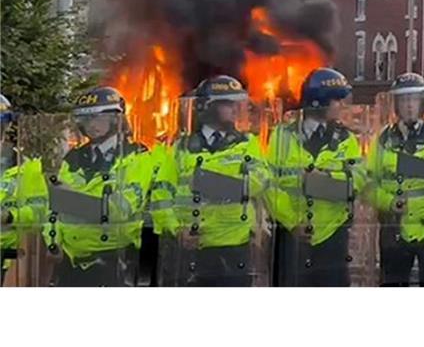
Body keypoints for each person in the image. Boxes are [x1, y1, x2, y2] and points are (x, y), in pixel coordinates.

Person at [152, 75, 270, 286]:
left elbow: (259, 181)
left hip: (236, 242)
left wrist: (209, 182)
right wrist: (176, 229)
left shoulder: (247, 143)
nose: (235, 109)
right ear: (207, 107)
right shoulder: (181, 147)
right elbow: (161, 192)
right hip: (192, 243)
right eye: (227, 103)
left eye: (236, 103)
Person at [43, 86, 155, 286]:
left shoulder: (138, 156)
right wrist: (52, 242)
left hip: (116, 261)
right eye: (86, 119)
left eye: (98, 118)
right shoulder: (73, 158)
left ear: (116, 119)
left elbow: (120, 210)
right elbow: (53, 209)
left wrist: (71, 200)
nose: (92, 124)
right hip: (70, 261)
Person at [268, 67, 364, 286]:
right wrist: (292, 222)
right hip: (292, 238)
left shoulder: (346, 139)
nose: (341, 106)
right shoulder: (282, 137)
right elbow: (270, 186)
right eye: (336, 100)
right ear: (317, 102)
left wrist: (323, 179)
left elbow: (358, 181)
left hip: (333, 236)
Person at [367, 72, 424, 286]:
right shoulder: (383, 139)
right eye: (404, 100)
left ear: (423, 103)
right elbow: (368, 184)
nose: (409, 106)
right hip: (395, 227)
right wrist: (390, 202)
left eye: (414, 100)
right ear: (396, 105)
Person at [1, 93, 47, 285]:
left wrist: (10, 216)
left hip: (9, 261)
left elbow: (40, 211)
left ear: (5, 126)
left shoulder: (25, 167)